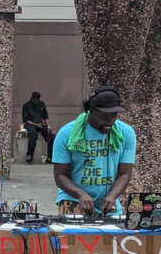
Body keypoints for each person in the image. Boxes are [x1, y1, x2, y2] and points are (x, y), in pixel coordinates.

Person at [51, 86, 137, 216]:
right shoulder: (66, 133)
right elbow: (60, 176)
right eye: (104, 116)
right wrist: (81, 194)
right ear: (90, 111)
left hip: (108, 201)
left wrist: (112, 196)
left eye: (114, 116)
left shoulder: (126, 133)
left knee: (115, 235)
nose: (110, 120)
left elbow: (125, 174)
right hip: (73, 198)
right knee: (75, 234)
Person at [21, 91, 53, 163]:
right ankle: (29, 155)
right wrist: (36, 124)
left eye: (37, 100)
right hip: (30, 124)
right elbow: (26, 120)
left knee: (51, 136)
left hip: (40, 124)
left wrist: (47, 126)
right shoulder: (26, 106)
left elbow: (44, 117)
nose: (36, 101)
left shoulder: (41, 104)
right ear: (31, 98)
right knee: (33, 133)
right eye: (34, 99)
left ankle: (50, 157)